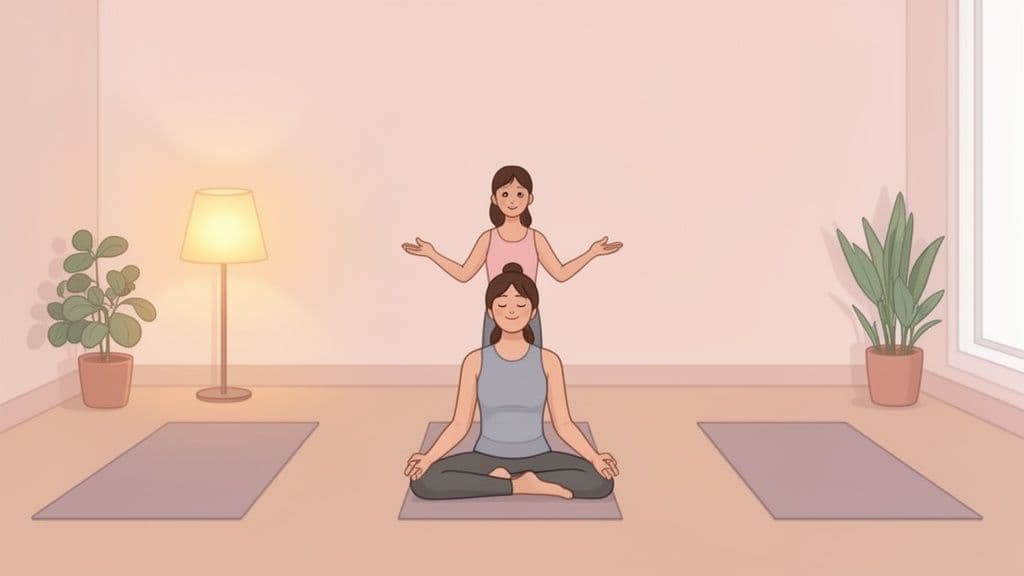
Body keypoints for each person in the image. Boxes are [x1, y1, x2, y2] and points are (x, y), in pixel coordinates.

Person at [404, 263, 619, 500]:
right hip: (487, 456)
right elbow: (459, 425)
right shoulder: (475, 361)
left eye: (520, 304)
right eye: (503, 304)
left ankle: (503, 482)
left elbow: (564, 424)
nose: (511, 311)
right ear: (490, 312)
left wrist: (594, 457)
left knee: (600, 480)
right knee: (425, 480)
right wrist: (428, 457)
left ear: (533, 312)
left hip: (538, 457)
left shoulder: (548, 360)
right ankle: (522, 486)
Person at [401, 165, 623, 347]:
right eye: (505, 194)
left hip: (528, 313)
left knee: (532, 368)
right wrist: (432, 254)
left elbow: (561, 273)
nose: (512, 200)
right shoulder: (488, 238)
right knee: (491, 368)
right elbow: (464, 273)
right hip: (495, 313)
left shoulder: (535, 238)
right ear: (495, 198)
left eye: (519, 193)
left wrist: (592, 253)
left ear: (530, 198)